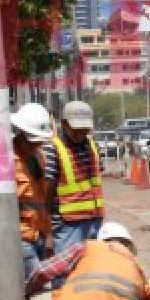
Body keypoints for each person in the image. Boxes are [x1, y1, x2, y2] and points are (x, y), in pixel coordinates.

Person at [43, 101, 105, 268]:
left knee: (92, 270)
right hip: (67, 225)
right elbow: (47, 190)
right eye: (77, 129)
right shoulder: (53, 147)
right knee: (66, 273)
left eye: (85, 129)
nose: (81, 133)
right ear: (64, 124)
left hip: (95, 220)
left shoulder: (93, 145)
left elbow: (97, 177)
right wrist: (48, 230)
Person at [9, 103, 53, 282]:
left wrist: (48, 234)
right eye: (32, 141)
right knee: (37, 285)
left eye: (39, 141)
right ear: (21, 134)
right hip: (20, 237)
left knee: (33, 288)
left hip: (39, 235)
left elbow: (43, 199)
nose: (36, 145)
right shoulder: (7, 160)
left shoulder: (39, 157)